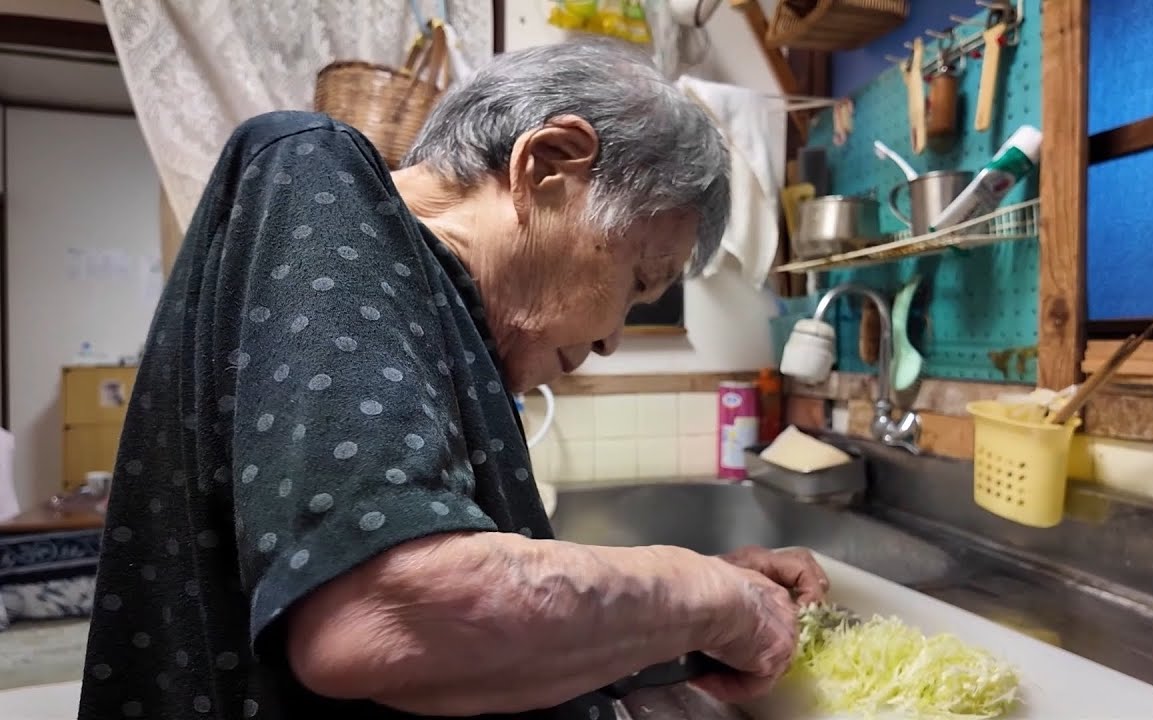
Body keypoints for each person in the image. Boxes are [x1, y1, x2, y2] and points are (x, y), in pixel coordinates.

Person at [78, 39, 829, 720]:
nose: (608, 341)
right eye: (640, 278)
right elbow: (382, 613)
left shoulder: (440, 319)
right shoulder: (313, 166)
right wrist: (707, 599)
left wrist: (710, 598)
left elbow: (482, 622)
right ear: (549, 167)